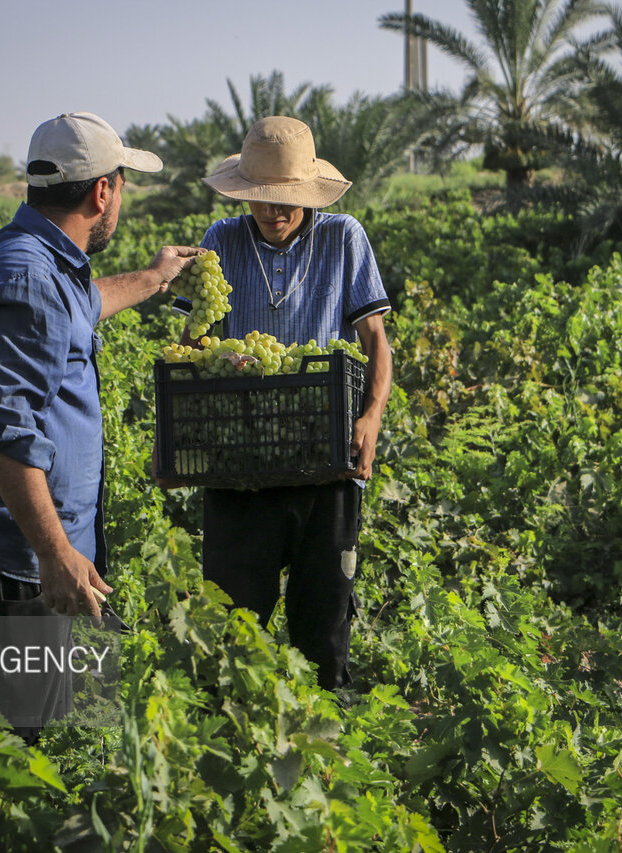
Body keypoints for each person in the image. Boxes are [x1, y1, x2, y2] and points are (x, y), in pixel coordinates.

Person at [0, 112, 202, 739]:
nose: (119, 200)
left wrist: (155, 278)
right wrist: (55, 554)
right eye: (122, 185)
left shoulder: (44, 260)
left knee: (30, 739)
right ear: (103, 191)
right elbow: (7, 436)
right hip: (10, 567)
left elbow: (84, 306)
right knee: (13, 758)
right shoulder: (28, 278)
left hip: (22, 560)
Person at [171, 116, 393, 692]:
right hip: (242, 459)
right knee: (232, 628)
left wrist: (369, 418)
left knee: (323, 629)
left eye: (287, 202)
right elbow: (193, 344)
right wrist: (209, 355)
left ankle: (324, 750)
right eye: (262, 201)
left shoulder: (345, 238)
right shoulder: (220, 240)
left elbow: (376, 345)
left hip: (326, 452)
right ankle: (234, 740)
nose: (274, 213)